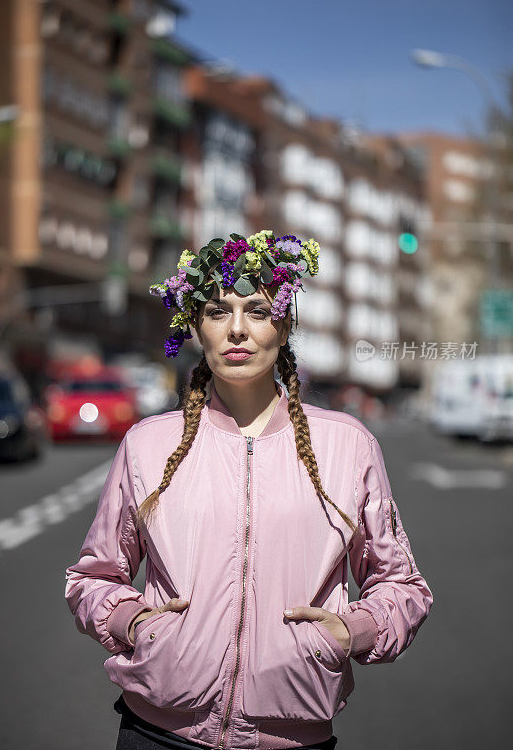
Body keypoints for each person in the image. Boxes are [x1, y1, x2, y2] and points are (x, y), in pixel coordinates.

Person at [65, 230, 433, 750]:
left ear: (284, 326)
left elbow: (402, 585)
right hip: (155, 733)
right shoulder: (147, 445)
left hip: (294, 737)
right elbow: (93, 577)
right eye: (217, 312)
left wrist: (351, 634)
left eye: (257, 311)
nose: (237, 330)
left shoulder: (348, 446)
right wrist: (134, 622)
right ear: (197, 327)